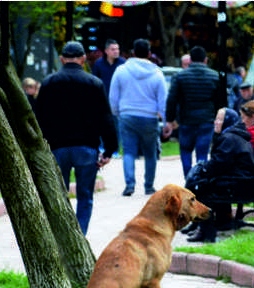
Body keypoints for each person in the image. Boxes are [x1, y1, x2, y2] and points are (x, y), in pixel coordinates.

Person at [35, 41, 118, 234]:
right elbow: (105, 118)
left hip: (57, 147)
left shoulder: (48, 83)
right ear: (83, 59)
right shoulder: (94, 83)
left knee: (58, 195)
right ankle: (81, 235)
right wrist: (109, 150)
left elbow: (39, 118)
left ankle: (62, 235)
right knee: (85, 196)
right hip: (86, 146)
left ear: (62, 59)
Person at [185, 108, 254, 243]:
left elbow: (219, 164)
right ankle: (214, 223)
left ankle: (207, 233)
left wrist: (203, 171)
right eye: (216, 119)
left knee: (201, 188)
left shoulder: (229, 138)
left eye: (219, 119)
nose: (216, 122)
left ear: (228, 121)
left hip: (241, 185)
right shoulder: (231, 135)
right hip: (243, 182)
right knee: (204, 182)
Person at [109, 38, 168, 196]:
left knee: (128, 151)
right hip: (149, 117)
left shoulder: (121, 71)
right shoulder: (157, 73)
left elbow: (113, 96)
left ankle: (129, 185)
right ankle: (149, 186)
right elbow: (163, 101)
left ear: (133, 53)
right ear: (149, 54)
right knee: (150, 153)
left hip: (127, 115)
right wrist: (165, 121)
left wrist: (117, 113)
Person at [166, 45, 220, 178]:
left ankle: (188, 179)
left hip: (186, 120)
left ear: (190, 60)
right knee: (202, 152)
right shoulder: (214, 76)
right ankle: (200, 180)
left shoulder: (180, 76)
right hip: (206, 119)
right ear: (205, 60)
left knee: (185, 151)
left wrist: (170, 119)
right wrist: (218, 118)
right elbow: (219, 101)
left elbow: (172, 99)